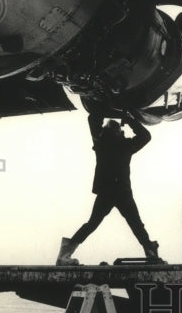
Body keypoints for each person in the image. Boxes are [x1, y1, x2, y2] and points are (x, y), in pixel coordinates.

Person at [56, 109, 164, 265]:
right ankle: (150, 251)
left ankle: (65, 253)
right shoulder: (126, 145)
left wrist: (104, 107)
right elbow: (146, 136)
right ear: (119, 132)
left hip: (106, 192)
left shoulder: (101, 142)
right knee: (136, 223)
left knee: (92, 223)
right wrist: (129, 119)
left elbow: (93, 118)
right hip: (122, 192)